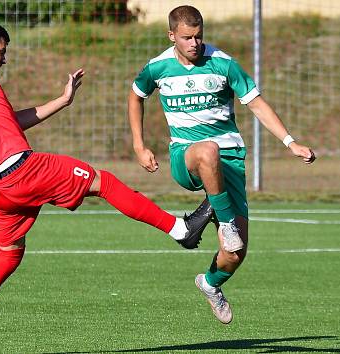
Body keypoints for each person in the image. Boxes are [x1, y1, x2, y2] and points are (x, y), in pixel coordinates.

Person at [0, 19, 212, 354]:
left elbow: (15, 121)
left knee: (9, 255)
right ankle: (179, 229)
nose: (4, 59)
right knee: (102, 181)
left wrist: (63, 100)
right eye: (2, 51)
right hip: (21, 171)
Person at [127, 5, 316, 325]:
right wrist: (139, 145)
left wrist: (290, 142)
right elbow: (135, 96)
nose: (194, 43)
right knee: (207, 151)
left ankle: (210, 283)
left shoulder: (224, 64)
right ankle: (223, 221)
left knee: (235, 254)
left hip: (231, 159)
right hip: (185, 155)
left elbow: (256, 102)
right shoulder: (157, 68)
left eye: (199, 37)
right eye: (187, 37)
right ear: (171, 35)